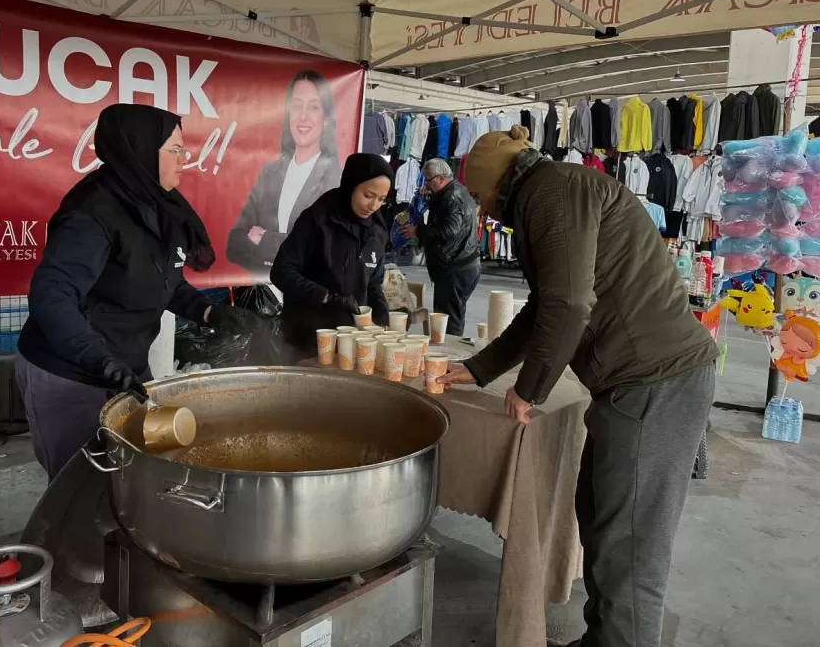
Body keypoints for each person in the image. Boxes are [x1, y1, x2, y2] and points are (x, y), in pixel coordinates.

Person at [438, 125, 718, 647]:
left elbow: (568, 305)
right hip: (634, 383)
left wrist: (530, 389)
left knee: (629, 547)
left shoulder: (551, 192)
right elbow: (548, 304)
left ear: (498, 184)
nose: (481, 210)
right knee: (600, 520)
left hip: (654, 382)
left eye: (479, 196)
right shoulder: (551, 192)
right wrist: (480, 368)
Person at [16, 104, 246, 480]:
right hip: (72, 370)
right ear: (139, 149)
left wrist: (209, 313)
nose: (184, 160)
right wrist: (100, 360)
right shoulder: (93, 212)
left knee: (136, 473)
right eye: (175, 150)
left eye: (183, 150)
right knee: (79, 483)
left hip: (126, 366)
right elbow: (51, 295)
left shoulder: (156, 203)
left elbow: (158, 279)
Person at [270, 154, 393, 361]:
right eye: (368, 195)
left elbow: (373, 282)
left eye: (381, 199)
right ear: (351, 185)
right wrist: (327, 296)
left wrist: (381, 308)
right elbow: (281, 272)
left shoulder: (377, 230)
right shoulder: (318, 220)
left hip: (351, 341)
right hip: (307, 338)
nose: (373, 205)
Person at [226, 69, 343, 275]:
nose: (303, 115)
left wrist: (265, 239)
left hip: (308, 296)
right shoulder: (269, 173)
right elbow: (234, 245)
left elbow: (323, 251)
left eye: (314, 107)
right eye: (296, 105)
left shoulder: (335, 179)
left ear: (325, 118)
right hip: (263, 295)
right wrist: (284, 247)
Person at [403, 158, 480, 336]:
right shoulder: (451, 192)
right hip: (456, 266)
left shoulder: (453, 197)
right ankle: (445, 355)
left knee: (449, 320)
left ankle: (448, 358)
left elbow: (449, 231)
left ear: (440, 178)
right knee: (447, 316)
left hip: (456, 268)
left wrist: (418, 231)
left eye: (428, 180)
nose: (426, 184)